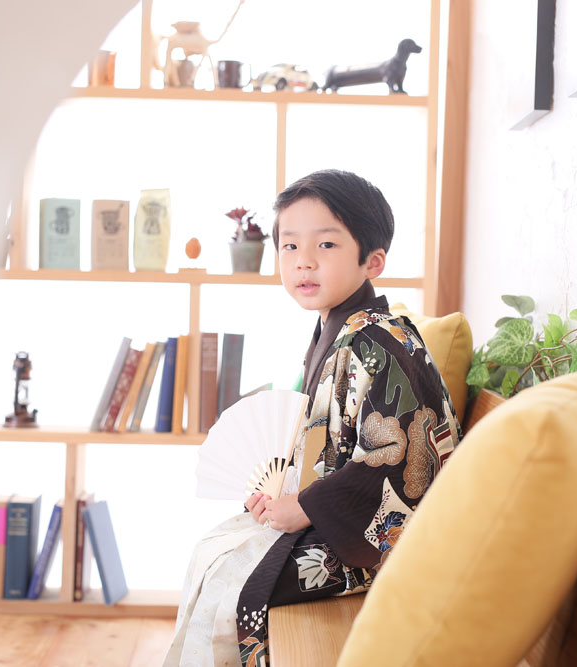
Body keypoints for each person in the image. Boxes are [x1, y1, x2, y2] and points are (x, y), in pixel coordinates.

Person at [164, 169, 461, 666]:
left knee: (234, 587)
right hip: (335, 517)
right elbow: (320, 442)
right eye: (289, 245)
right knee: (210, 552)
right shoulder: (338, 329)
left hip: (375, 543)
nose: (303, 261)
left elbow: (402, 462)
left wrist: (305, 506)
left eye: (325, 244)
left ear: (372, 260)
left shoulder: (378, 341)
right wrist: (284, 493)